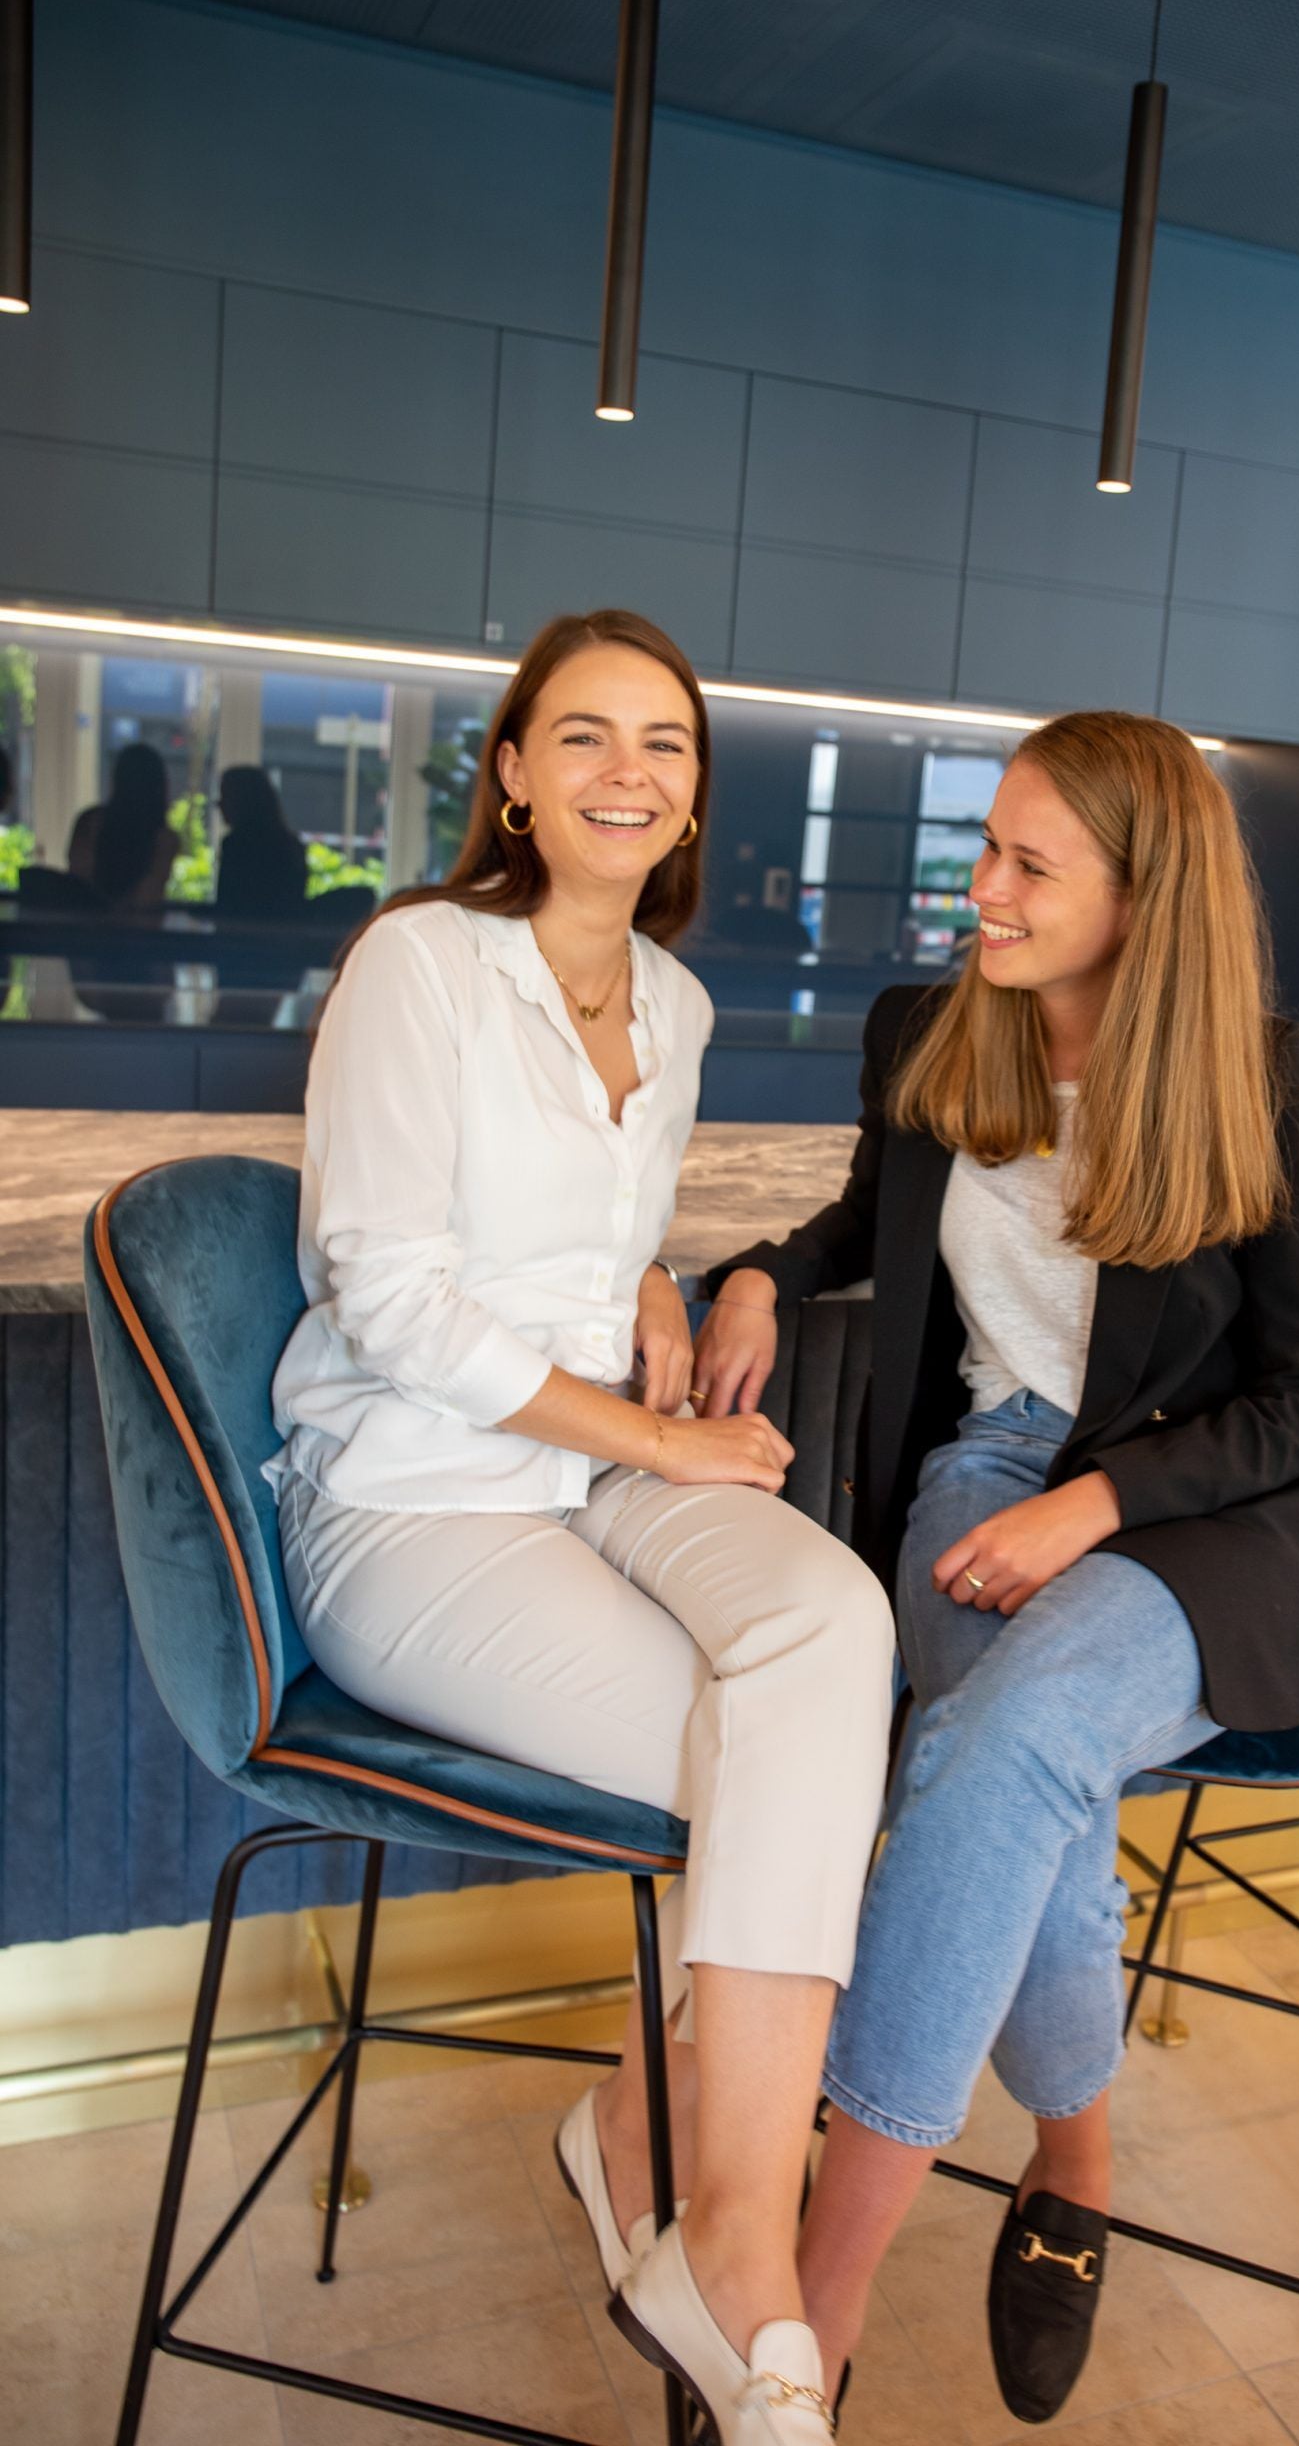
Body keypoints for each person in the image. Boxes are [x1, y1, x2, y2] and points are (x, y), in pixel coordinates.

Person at [265, 609, 894, 2446]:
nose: (629, 771)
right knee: (778, 1763)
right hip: (412, 1502)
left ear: (693, 798)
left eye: (665, 744)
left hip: (596, 1473)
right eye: (585, 737)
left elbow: (586, 1226)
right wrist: (648, 1433)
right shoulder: (420, 964)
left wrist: (656, 1286)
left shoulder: (673, 1007)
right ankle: (721, 2227)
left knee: (836, 1637)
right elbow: (387, 1293)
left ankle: (655, 2150)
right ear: (513, 778)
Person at [694, 711, 1299, 2426]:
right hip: (978, 1473)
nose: (979, 889)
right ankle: (1072, 2168)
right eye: (984, 847)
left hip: (1190, 1520)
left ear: (1143, 897)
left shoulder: (1253, 1071)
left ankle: (811, 2301)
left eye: (1027, 865)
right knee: (1013, 1768)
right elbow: (870, 1219)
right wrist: (763, 1270)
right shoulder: (929, 1031)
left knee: (1000, 1746)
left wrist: (1101, 1503)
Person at [68, 740, 176, 906]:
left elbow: (78, 883)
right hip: (136, 922)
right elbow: (148, 897)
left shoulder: (90, 822)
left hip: (89, 919)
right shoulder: (165, 839)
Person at [215, 764, 307, 921]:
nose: (219, 804)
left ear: (242, 801)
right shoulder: (291, 844)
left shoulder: (236, 846)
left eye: (226, 797)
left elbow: (229, 905)